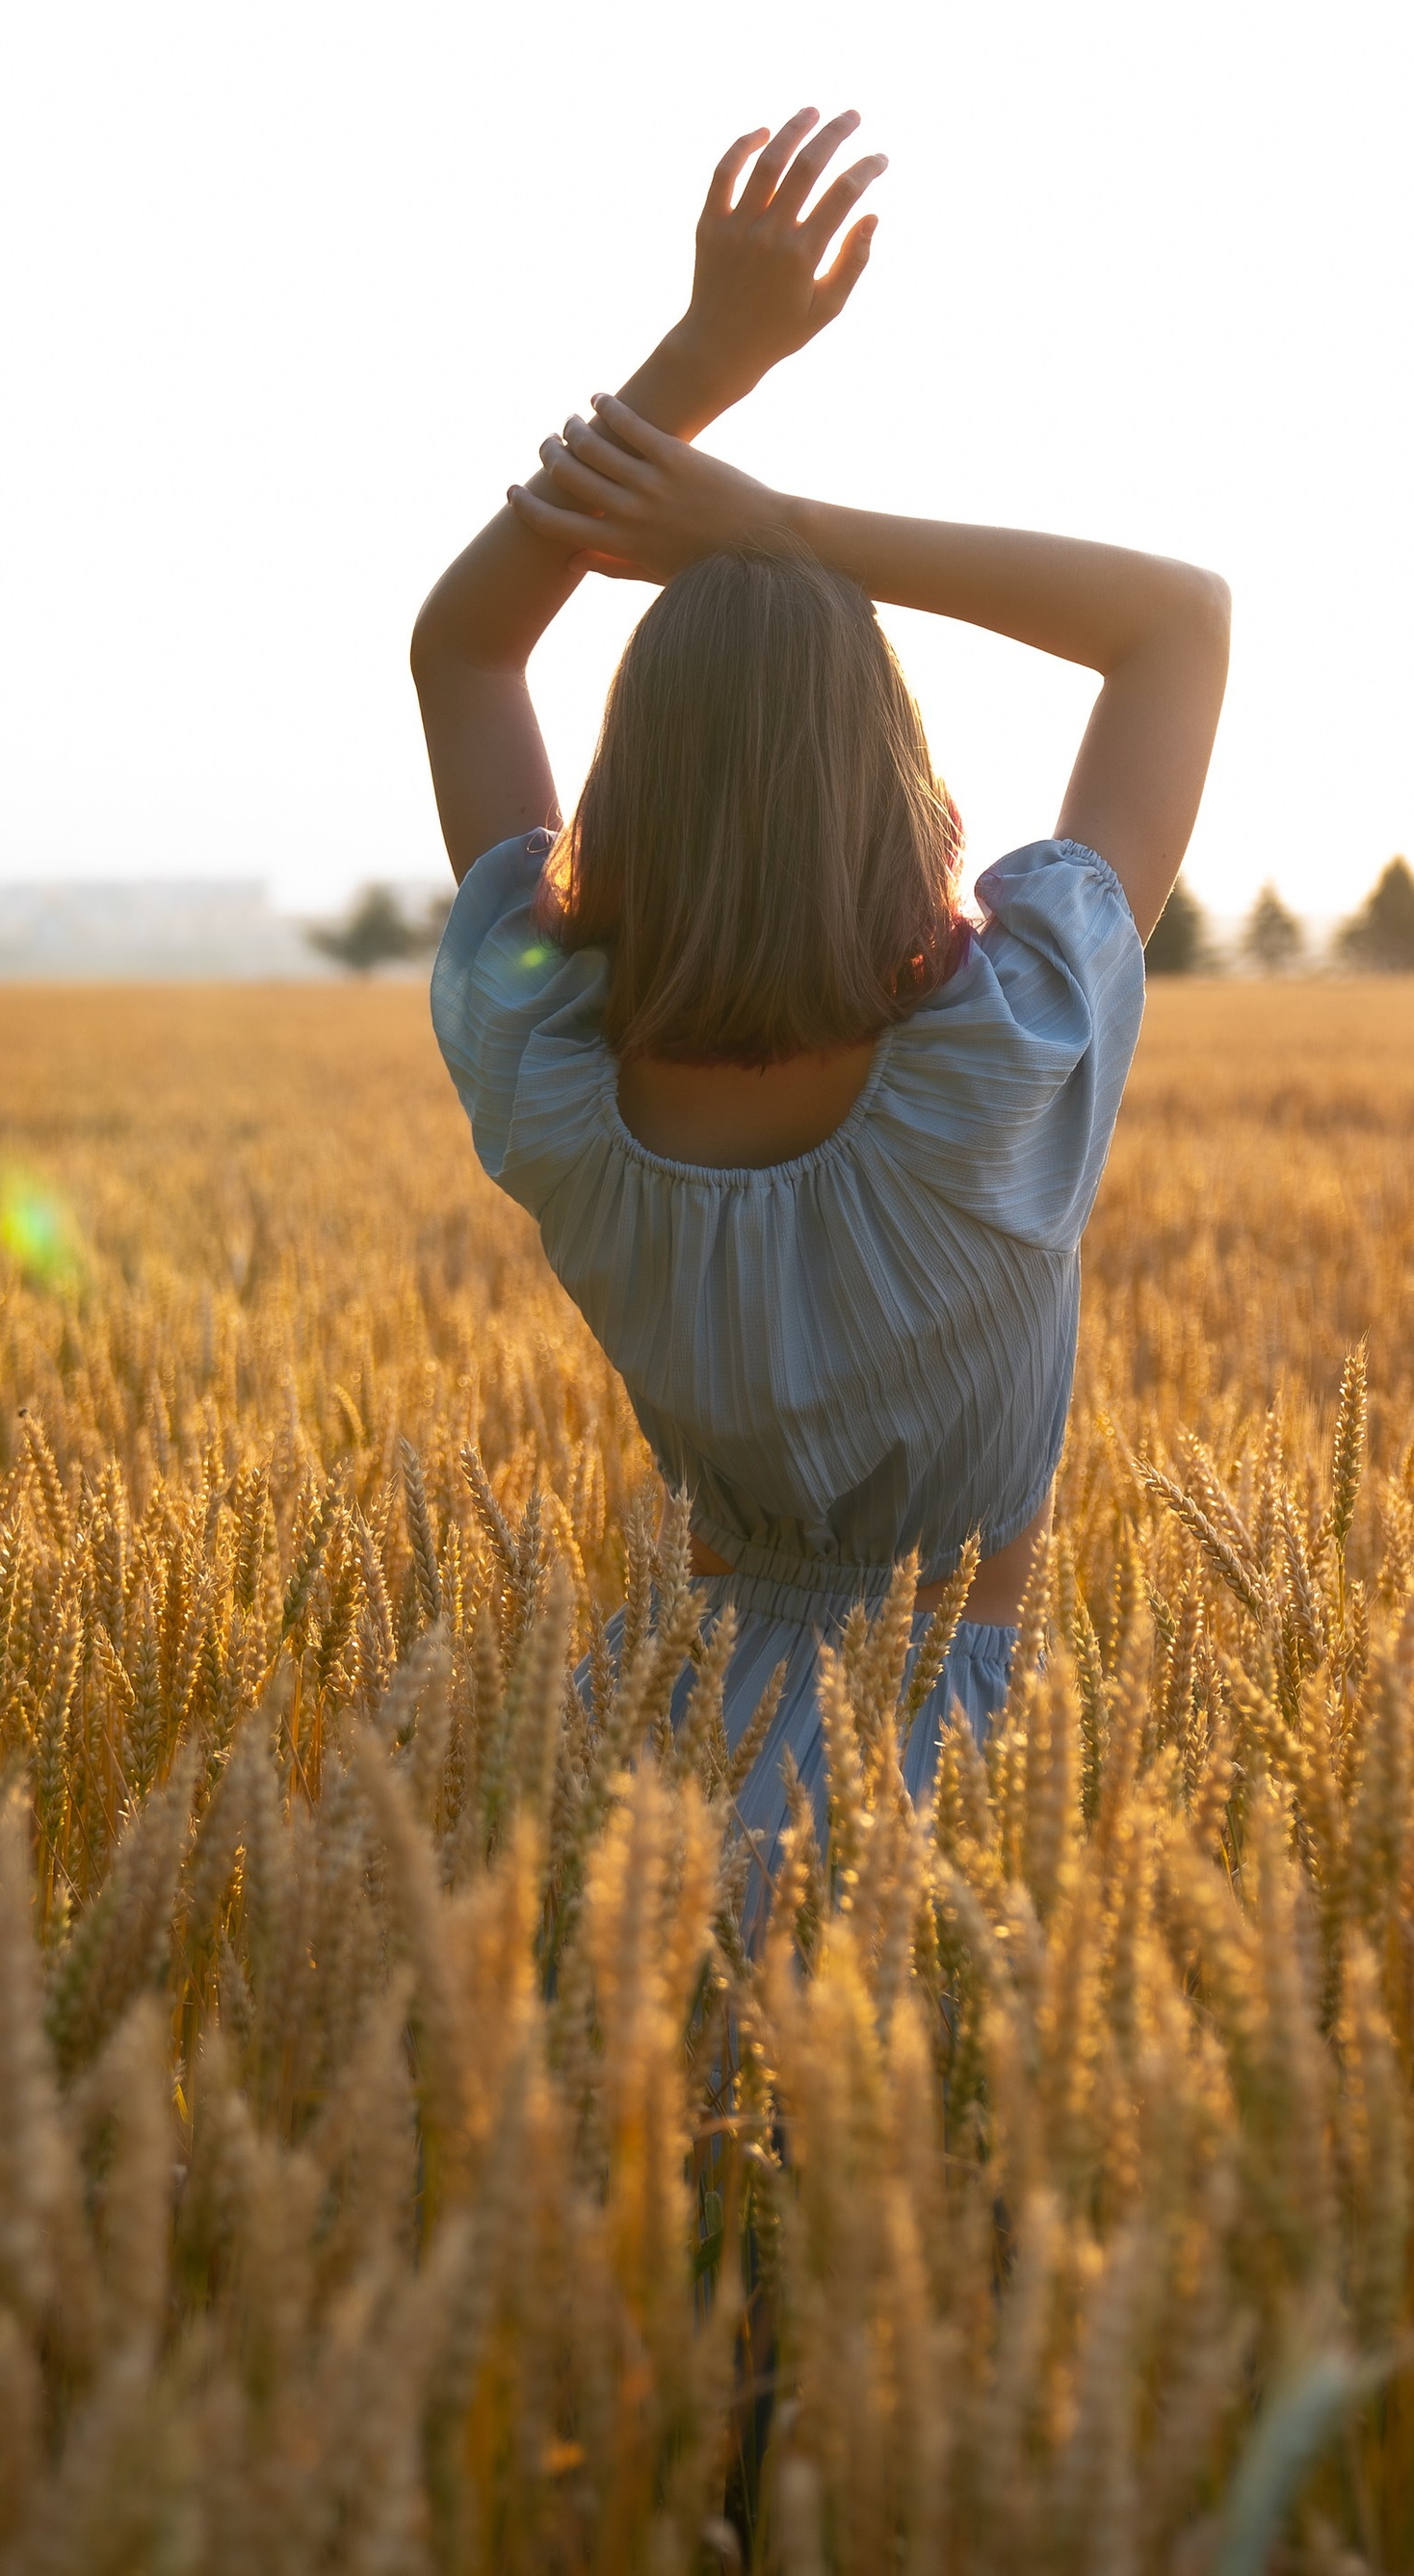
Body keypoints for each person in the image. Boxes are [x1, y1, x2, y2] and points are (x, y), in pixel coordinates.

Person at [411, 111, 1229, 1889]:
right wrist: (778, 526)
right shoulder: (1004, 1055)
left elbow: (464, 651)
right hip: (972, 1758)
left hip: (653, 1753)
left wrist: (702, 364)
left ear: (633, 792)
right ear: (889, 774)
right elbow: (1177, 623)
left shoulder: (546, 1061)